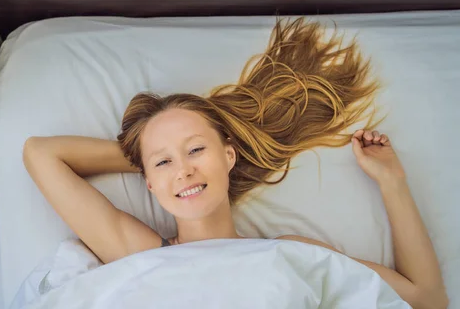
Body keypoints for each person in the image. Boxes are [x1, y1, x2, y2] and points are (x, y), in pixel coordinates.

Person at [23, 19, 448, 309]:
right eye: (165, 163)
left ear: (229, 155)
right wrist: (149, 158)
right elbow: (41, 154)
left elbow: (426, 299)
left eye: (196, 150)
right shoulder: (137, 250)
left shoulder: (294, 253)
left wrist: (392, 182)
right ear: (148, 183)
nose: (184, 170)